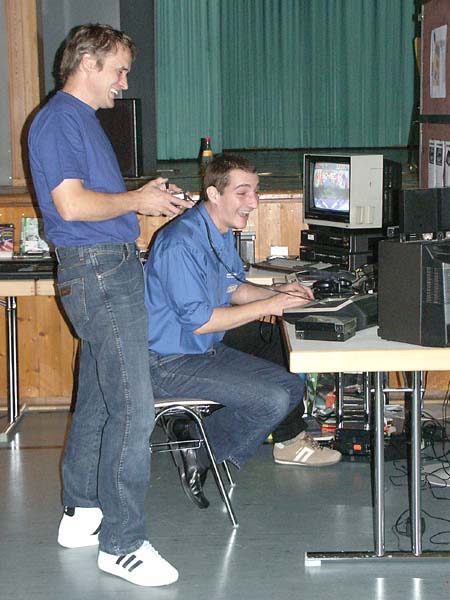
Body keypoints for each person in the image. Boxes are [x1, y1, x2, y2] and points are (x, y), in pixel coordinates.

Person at [27, 24, 193, 587]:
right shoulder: (58, 120)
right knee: (133, 407)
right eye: (119, 70)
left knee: (101, 398)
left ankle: (81, 513)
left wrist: (146, 198)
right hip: (98, 270)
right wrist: (136, 199)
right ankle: (122, 545)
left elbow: (92, 198)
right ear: (87, 63)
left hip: (106, 266)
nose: (124, 83)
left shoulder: (78, 120)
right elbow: (72, 206)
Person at [144, 154, 341, 509]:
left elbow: (234, 288)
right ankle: (199, 450)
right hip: (166, 362)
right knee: (272, 400)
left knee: (291, 386)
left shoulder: (216, 233)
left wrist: (279, 294)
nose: (254, 202)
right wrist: (270, 306)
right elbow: (201, 321)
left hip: (200, 351)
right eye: (243, 192)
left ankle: (196, 440)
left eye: (256, 191)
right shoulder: (180, 243)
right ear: (213, 194)